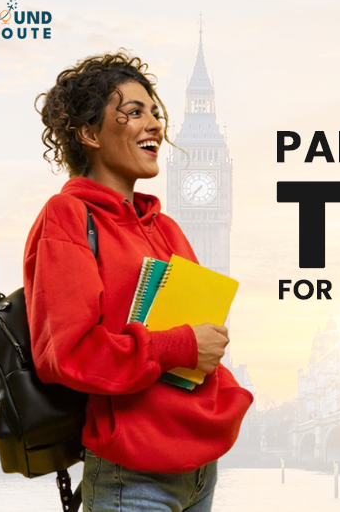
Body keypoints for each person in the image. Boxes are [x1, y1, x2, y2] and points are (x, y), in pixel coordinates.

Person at [25, 51, 253, 511]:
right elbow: (66, 355)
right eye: (132, 113)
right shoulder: (68, 218)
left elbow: (199, 341)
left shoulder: (165, 227)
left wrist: (229, 399)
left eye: (154, 112)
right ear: (89, 133)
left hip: (199, 471)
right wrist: (180, 346)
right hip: (133, 477)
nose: (154, 124)